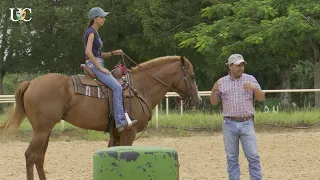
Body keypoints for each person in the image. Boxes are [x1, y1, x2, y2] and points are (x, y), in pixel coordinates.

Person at [210, 54, 265, 180]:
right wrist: (213, 91)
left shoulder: (250, 79)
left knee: (253, 156)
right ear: (230, 66)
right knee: (232, 158)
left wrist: (254, 89)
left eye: (242, 65)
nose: (241, 68)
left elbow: (261, 98)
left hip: (247, 122)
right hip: (229, 123)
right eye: (238, 65)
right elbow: (213, 102)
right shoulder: (221, 82)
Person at [83, 7, 137, 132]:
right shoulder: (91, 32)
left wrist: (114, 53)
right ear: (95, 19)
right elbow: (88, 52)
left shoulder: (94, 32)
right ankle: (120, 121)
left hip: (95, 62)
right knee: (117, 87)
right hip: (94, 65)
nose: (104, 19)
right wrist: (100, 68)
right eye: (101, 17)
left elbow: (98, 54)